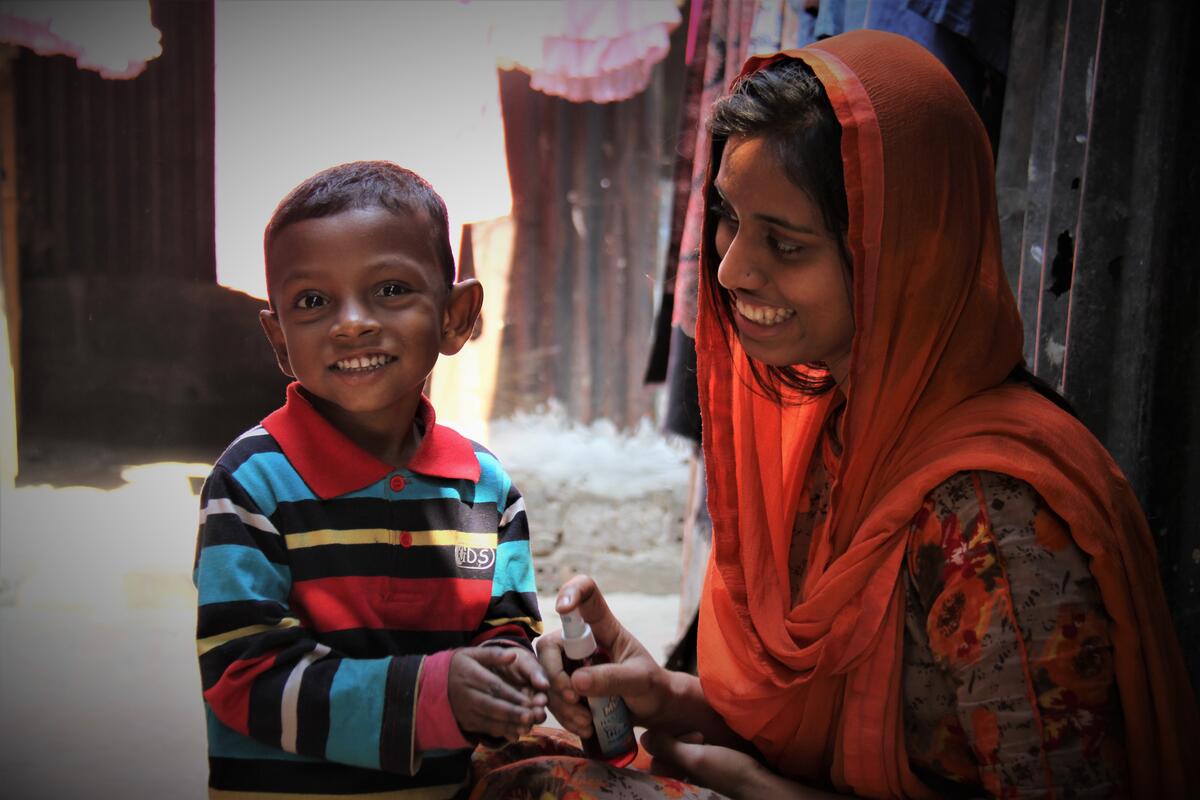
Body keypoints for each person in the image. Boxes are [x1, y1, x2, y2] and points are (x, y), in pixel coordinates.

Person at [518, 31, 1198, 800]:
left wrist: (754, 789)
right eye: (730, 218)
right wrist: (664, 695)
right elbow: (813, 734)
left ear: (901, 252)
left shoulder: (996, 521)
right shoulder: (834, 429)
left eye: (786, 242)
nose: (733, 267)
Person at [193, 161, 548, 799]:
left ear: (456, 315)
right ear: (279, 337)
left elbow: (508, 631)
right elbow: (241, 676)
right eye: (312, 301)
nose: (350, 322)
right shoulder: (250, 484)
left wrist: (520, 680)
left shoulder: (487, 490)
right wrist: (437, 691)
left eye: (389, 289)